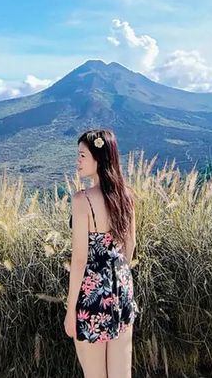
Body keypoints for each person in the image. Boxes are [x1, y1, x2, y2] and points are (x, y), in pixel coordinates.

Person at [64, 128, 140, 378]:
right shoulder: (126, 197)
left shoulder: (82, 200)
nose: (78, 161)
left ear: (99, 158)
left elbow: (79, 260)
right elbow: (129, 246)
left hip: (91, 296)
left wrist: (70, 311)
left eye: (82, 155)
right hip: (121, 291)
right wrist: (116, 277)